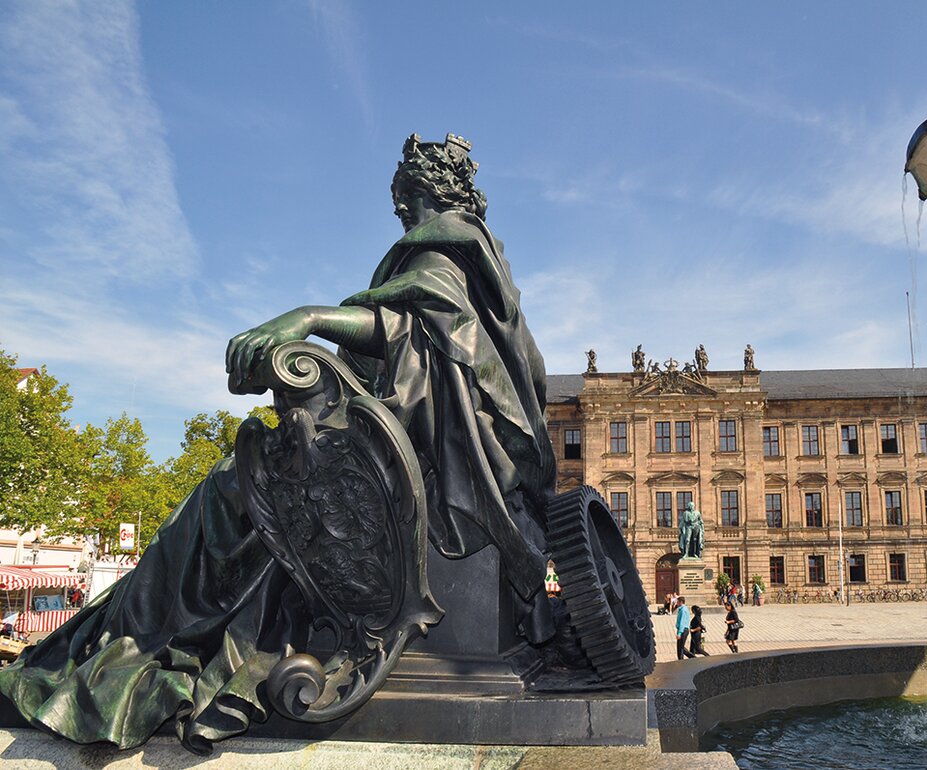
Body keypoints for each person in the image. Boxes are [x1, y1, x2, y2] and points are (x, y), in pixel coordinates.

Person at [0, 133, 562, 753]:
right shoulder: (475, 263)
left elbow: (422, 333)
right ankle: (117, 636)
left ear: (418, 191)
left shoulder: (446, 249)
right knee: (242, 484)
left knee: (230, 493)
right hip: (417, 454)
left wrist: (311, 318)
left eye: (403, 195)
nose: (399, 209)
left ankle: (125, 646)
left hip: (418, 470)